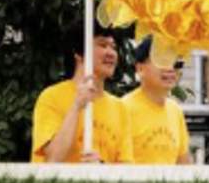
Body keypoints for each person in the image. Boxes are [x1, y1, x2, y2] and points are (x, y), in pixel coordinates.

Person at [31, 30, 133, 164]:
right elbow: (53, 159)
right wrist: (76, 106)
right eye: (102, 45)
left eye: (113, 47)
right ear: (79, 54)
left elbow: (126, 171)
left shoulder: (120, 108)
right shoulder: (51, 97)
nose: (111, 53)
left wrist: (101, 169)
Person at [122, 37, 192, 164]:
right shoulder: (123, 109)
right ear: (140, 69)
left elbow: (184, 164)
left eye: (175, 63)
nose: (170, 69)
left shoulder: (175, 111)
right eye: (162, 61)